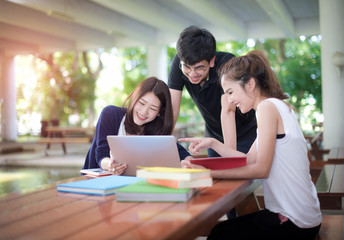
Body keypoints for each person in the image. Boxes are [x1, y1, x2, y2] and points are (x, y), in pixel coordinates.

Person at [180, 50, 322, 240]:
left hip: (294, 221)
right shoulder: (277, 106)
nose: (229, 100)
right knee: (219, 231)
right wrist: (214, 143)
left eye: (230, 92)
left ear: (250, 84)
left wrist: (206, 172)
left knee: (219, 235)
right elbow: (248, 160)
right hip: (301, 215)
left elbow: (260, 170)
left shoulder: (266, 108)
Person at [168, 25, 257, 157]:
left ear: (211, 61)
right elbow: (172, 109)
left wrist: (229, 155)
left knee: (237, 173)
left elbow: (228, 111)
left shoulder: (227, 64)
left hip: (245, 134)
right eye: (187, 67)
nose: (192, 74)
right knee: (215, 176)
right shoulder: (179, 64)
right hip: (213, 137)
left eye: (199, 68)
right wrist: (162, 144)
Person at [82, 77, 192, 175]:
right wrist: (110, 165)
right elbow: (101, 153)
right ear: (134, 98)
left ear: (160, 112)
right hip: (95, 182)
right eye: (142, 103)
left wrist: (189, 163)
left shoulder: (155, 131)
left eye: (153, 108)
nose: (144, 112)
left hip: (129, 185)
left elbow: (178, 151)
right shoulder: (110, 115)